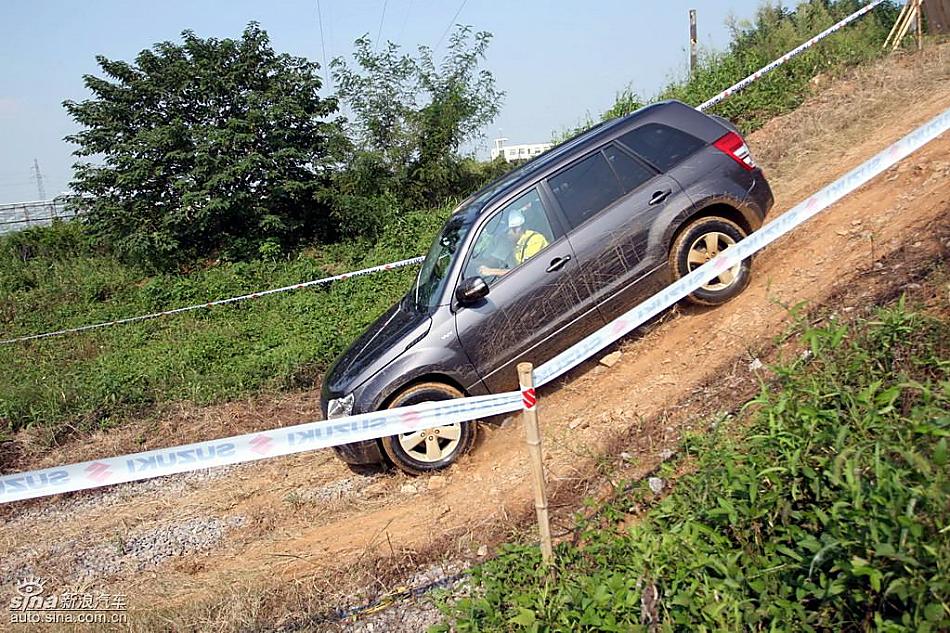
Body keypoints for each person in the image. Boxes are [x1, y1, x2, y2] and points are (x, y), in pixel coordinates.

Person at [478, 206, 549, 278]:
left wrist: (491, 272)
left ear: (517, 229)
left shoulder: (534, 240)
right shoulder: (516, 243)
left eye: (506, 232)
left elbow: (524, 271)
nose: (505, 236)